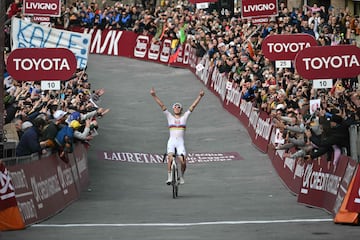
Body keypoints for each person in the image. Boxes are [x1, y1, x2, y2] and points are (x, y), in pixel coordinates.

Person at [150, 87, 204, 185]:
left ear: (181, 109)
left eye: (178, 107)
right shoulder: (169, 117)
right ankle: (169, 177)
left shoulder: (184, 117)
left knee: (183, 162)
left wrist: (199, 97)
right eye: (175, 107)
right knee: (170, 158)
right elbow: (162, 105)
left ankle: (182, 176)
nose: (176, 108)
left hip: (180, 143)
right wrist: (154, 96)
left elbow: (193, 107)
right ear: (173, 109)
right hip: (171, 142)